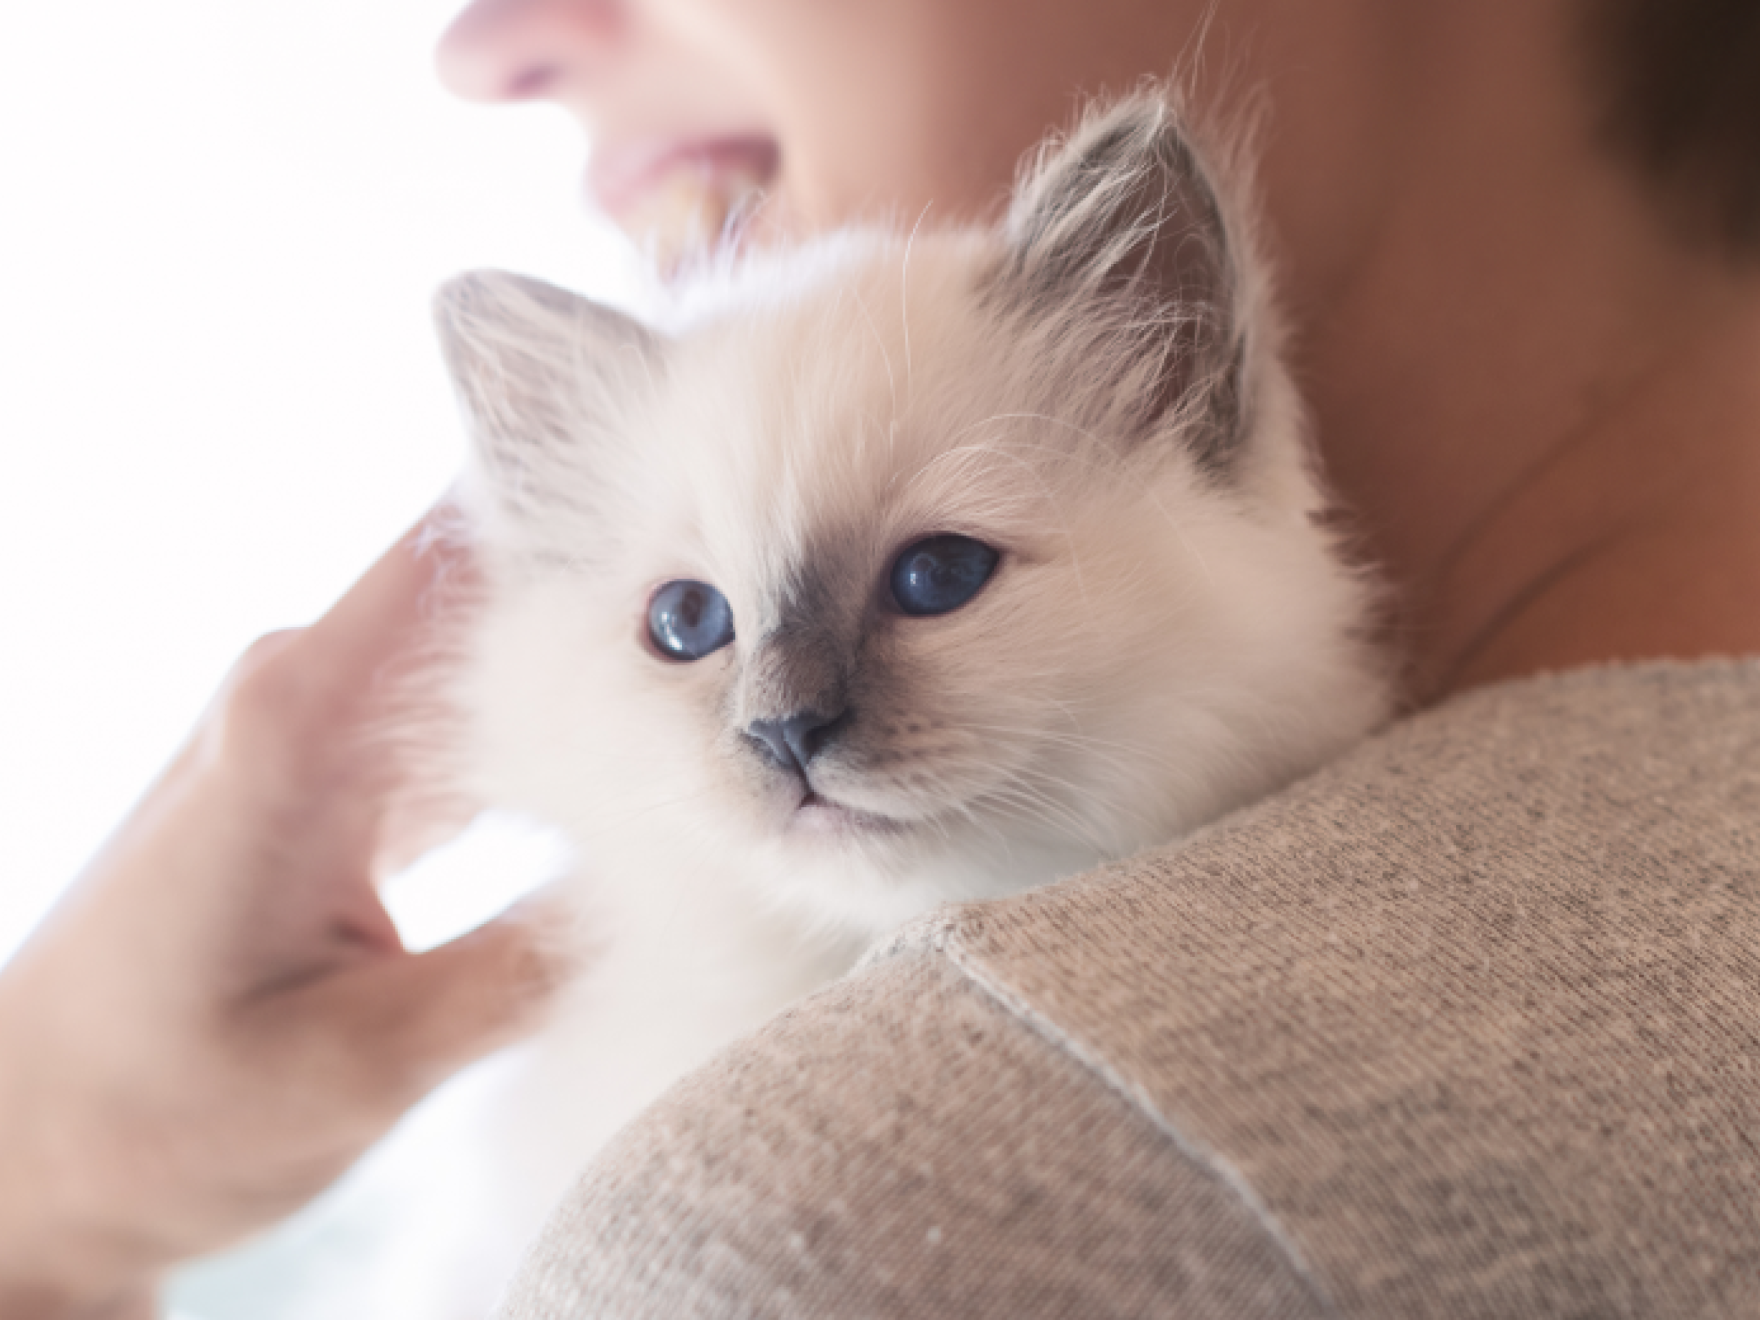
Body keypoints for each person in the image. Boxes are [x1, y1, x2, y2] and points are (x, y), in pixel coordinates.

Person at [4, 0, 1759, 1315]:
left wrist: (50, 1213)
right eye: (687, 627)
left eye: (932, 572)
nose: (487, 40)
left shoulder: (880, 1205)